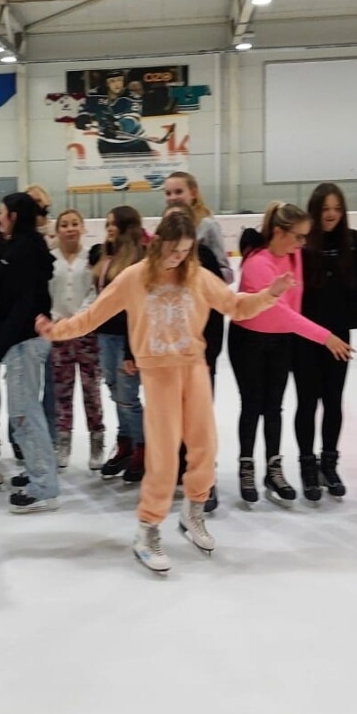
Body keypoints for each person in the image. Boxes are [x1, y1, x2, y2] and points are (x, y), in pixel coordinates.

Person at [38, 210, 293, 572]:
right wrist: (58, 331)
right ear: (158, 243)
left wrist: (270, 294)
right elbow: (94, 315)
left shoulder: (196, 276)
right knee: (164, 455)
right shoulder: (134, 277)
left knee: (205, 446)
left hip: (193, 368)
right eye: (173, 250)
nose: (178, 258)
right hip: (158, 373)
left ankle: (193, 512)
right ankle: (148, 529)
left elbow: (235, 306)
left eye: (185, 251)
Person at [231, 203, 352, 505]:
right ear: (278, 232)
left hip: (281, 341)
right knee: (253, 405)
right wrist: (326, 337)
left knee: (274, 407)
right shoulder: (258, 264)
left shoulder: (293, 255)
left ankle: (274, 468)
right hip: (249, 340)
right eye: (297, 237)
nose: (302, 243)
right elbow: (282, 313)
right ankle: (246, 465)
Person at [294, 182, 357, 501]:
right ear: (315, 210)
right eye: (325, 209)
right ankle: (307, 465)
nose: (331, 215)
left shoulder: (355, 244)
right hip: (305, 338)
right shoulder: (301, 245)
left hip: (339, 338)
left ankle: (329, 463)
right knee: (307, 403)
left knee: (332, 402)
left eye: (336, 209)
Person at [0, 193, 57, 511]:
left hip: (24, 342)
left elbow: (22, 304)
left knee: (24, 415)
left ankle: (44, 483)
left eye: (1, 212)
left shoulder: (25, 249)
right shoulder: (23, 245)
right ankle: (40, 470)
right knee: (24, 412)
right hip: (21, 342)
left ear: (14, 215)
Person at [90, 206, 147, 481]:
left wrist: (131, 350)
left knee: (127, 397)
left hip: (127, 338)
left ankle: (142, 446)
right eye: (107, 223)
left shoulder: (137, 259)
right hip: (104, 335)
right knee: (114, 391)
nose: (109, 228)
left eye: (113, 224)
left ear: (126, 226)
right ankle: (125, 442)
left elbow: (137, 308)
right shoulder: (106, 255)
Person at [46, 208, 105, 470]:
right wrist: (57, 319)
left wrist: (81, 319)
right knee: (62, 391)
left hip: (86, 333)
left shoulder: (91, 258)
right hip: (58, 334)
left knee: (91, 390)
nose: (70, 229)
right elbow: (45, 293)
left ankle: (97, 438)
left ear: (83, 228)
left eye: (74, 224)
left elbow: (95, 291)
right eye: (65, 224)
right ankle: (63, 439)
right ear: (57, 230)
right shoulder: (50, 260)